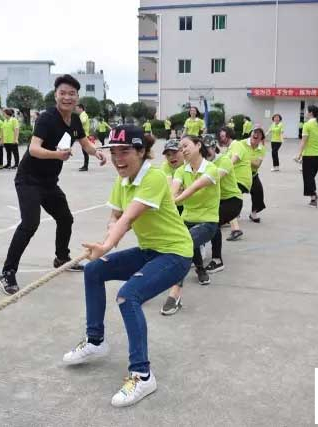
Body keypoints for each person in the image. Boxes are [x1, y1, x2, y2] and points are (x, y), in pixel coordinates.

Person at [62, 125, 192, 408]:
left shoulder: (153, 177)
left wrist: (108, 245)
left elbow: (129, 218)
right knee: (94, 270)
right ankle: (95, 341)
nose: (118, 159)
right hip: (149, 251)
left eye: (125, 151)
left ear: (141, 151)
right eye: (114, 152)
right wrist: (109, 235)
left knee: (128, 295)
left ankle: (142, 375)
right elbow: (116, 216)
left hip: (175, 254)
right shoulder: (122, 181)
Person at [0, 74, 107, 295]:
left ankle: (61, 258)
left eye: (72, 93)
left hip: (49, 182)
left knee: (65, 218)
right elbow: (33, 149)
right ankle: (8, 271)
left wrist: (96, 152)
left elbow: (85, 143)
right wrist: (57, 155)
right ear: (56, 95)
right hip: (28, 180)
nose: (67, 97)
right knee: (30, 224)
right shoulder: (47, 118)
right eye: (63, 93)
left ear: (77, 97)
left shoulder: (75, 120)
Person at [161, 135, 220, 315]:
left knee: (183, 245)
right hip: (186, 218)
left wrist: (174, 200)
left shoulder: (211, 169)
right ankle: (200, 269)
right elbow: (173, 191)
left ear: (198, 145)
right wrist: (169, 201)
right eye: (181, 148)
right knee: (182, 243)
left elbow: (193, 188)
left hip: (208, 221)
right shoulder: (181, 171)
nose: (183, 150)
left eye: (185, 146)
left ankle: (174, 294)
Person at [204, 134, 242, 273]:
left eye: (207, 149)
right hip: (216, 200)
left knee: (213, 222)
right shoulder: (203, 163)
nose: (205, 153)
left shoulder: (224, 160)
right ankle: (198, 252)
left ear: (214, 147)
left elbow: (213, 178)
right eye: (202, 150)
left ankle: (217, 260)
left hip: (232, 200)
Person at [295, 105, 318, 207]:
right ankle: (313, 196)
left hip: (309, 156)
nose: (305, 113)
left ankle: (313, 197)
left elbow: (303, 141)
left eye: (306, 111)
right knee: (310, 178)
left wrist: (298, 154)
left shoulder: (307, 125)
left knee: (308, 178)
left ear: (310, 113)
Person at [247, 127, 268, 222]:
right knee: (234, 194)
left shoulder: (261, 149)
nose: (256, 134)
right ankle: (234, 214)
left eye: (259, 133)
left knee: (258, 192)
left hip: (253, 174)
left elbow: (257, 165)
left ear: (261, 138)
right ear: (251, 134)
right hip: (239, 174)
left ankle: (253, 213)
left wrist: (245, 159)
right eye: (254, 132)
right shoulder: (242, 144)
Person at [76, 103, 91, 171]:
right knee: (84, 151)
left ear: (81, 108)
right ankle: (85, 165)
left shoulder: (83, 114)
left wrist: (76, 123)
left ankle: (86, 166)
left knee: (85, 151)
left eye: (77, 108)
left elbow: (83, 121)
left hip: (85, 135)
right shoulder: (82, 114)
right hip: (84, 135)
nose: (76, 110)